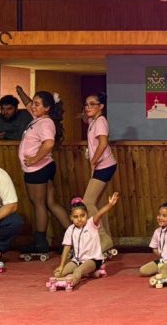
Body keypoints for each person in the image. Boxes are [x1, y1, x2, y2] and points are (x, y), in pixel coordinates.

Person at [19, 91, 69, 255]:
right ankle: (75, 238)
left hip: (38, 169)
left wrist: (34, 159)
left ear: (47, 108)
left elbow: (48, 144)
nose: (33, 106)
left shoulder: (46, 123)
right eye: (33, 103)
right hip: (41, 167)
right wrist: (20, 91)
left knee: (39, 204)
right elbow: (28, 104)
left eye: (37, 104)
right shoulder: (38, 119)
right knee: (50, 203)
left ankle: (40, 243)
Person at [53, 193, 119, 289]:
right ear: (71, 217)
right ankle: (89, 274)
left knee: (78, 271)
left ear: (87, 215)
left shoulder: (91, 223)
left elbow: (100, 213)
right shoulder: (70, 230)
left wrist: (110, 204)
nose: (79, 219)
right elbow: (66, 249)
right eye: (76, 217)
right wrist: (61, 266)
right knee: (58, 273)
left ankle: (71, 282)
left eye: (82, 215)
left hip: (93, 260)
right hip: (77, 261)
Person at [82, 92, 117, 256]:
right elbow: (85, 117)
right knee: (100, 203)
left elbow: (103, 143)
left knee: (87, 202)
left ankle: (103, 238)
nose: (88, 107)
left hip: (104, 166)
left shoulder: (101, 121)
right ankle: (106, 239)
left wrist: (93, 161)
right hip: (102, 166)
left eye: (92, 104)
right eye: (86, 104)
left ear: (101, 106)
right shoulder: (93, 120)